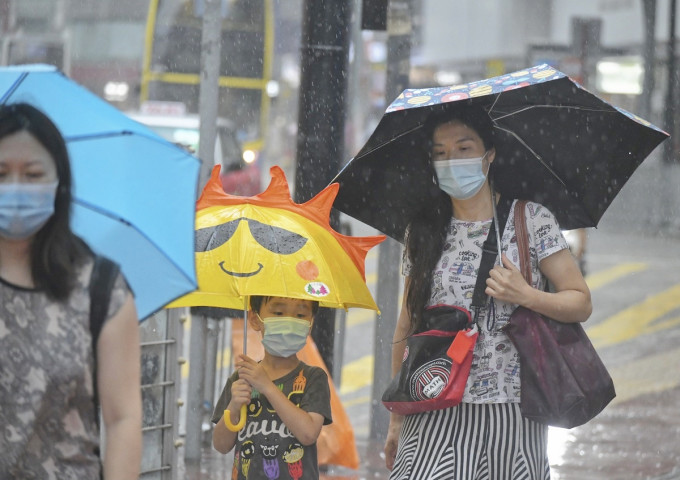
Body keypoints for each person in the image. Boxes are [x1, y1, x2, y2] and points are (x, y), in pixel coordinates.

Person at [383, 105, 592, 479]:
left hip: (512, 410)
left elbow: (580, 301)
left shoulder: (531, 220)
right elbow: (408, 323)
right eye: (440, 153)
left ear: (489, 154)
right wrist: (398, 416)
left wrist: (527, 295)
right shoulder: (424, 230)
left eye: (464, 148)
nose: (451, 161)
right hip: (434, 402)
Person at [0, 103, 142, 479]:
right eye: (0, 173)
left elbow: (122, 418)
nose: (14, 188)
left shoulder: (101, 291)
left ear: (58, 184)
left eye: (32, 174)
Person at [211, 295, 333, 480]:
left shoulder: (313, 378)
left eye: (300, 315)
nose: (289, 322)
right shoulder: (242, 379)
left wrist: (267, 386)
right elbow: (221, 444)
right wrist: (234, 406)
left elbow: (308, 433)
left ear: (310, 323)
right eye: (278, 312)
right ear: (255, 319)